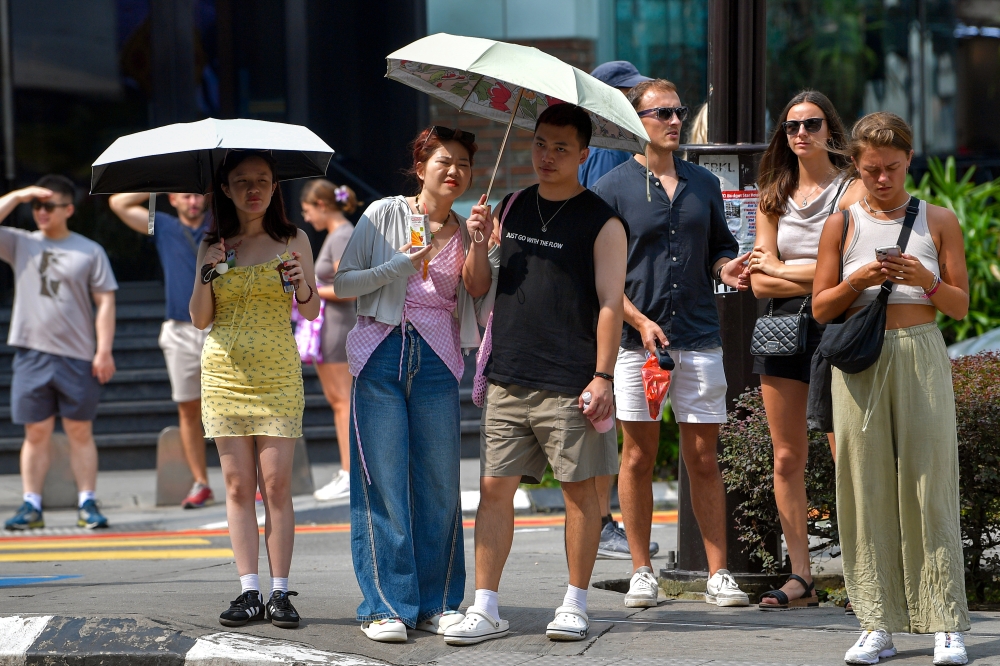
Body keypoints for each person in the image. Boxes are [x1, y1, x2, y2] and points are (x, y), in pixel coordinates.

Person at [444, 103, 628, 646]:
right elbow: (479, 286)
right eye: (541, 143)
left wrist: (602, 377)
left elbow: (611, 304)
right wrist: (478, 241)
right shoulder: (513, 205)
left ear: (584, 155)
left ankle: (574, 602)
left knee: (581, 497)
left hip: (571, 381)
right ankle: (486, 607)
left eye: (561, 148)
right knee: (493, 491)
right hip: (507, 374)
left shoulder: (602, 219)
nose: (546, 156)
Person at [813, 113, 971, 666]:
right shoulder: (842, 224)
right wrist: (856, 280)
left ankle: (945, 621)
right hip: (860, 362)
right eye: (872, 169)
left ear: (909, 160)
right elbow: (820, 307)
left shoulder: (939, 220)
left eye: (894, 168)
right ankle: (875, 622)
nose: (883, 179)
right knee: (863, 488)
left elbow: (959, 306)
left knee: (931, 484)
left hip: (921, 350)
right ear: (856, 165)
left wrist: (922, 279)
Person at [592, 79, 751, 610]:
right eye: (661, 112)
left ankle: (718, 572)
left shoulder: (704, 184)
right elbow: (600, 277)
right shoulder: (612, 188)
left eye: (678, 111)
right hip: (639, 344)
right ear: (637, 120)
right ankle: (642, 571)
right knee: (638, 456)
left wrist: (728, 266)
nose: (674, 120)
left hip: (700, 335)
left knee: (704, 457)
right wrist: (636, 320)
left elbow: (720, 249)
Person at [332, 126, 483, 643]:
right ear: (420, 168)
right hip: (380, 353)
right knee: (384, 483)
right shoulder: (383, 214)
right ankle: (385, 606)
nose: (454, 170)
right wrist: (397, 264)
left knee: (441, 485)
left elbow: (480, 292)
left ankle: (439, 602)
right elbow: (344, 281)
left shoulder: (466, 230)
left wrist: (485, 244)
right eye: (444, 160)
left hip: (439, 360)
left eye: (463, 162)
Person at [190, 150, 319, 630]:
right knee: (239, 486)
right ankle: (249, 590)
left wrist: (300, 282)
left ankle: (281, 591)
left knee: (277, 485)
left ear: (274, 187)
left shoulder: (293, 240)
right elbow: (200, 318)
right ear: (225, 189)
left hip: (277, 375)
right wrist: (209, 272)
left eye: (262, 180)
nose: (253, 189)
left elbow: (309, 312)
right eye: (242, 181)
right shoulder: (214, 246)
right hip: (223, 374)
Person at [749, 90, 864, 610]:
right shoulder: (772, 192)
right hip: (781, 331)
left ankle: (865, 571)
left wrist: (782, 269)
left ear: (829, 130)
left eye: (811, 124)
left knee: (848, 455)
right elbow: (758, 284)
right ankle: (802, 577)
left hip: (839, 326)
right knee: (788, 456)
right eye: (792, 125)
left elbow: (844, 272)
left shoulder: (851, 189)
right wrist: (787, 274)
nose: (801, 133)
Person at [0, 175, 117, 531]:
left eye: (49, 205)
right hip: (31, 351)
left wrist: (104, 350)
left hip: (78, 354)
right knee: (35, 431)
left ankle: (87, 502)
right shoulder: (21, 243)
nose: (40, 212)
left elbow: (106, 300)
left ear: (69, 209)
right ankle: (31, 504)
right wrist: (20, 195)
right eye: (37, 206)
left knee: (80, 430)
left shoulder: (89, 250)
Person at [575, 59, 658, 563]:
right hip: (610, 298)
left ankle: (598, 515)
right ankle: (602, 520)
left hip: (599, 294)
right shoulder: (611, 149)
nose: (632, 101)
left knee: (598, 409)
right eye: (625, 93)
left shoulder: (598, 143)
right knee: (604, 410)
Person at [109, 192, 215, 509]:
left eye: (197, 195)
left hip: (220, 325)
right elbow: (119, 203)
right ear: (172, 198)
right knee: (187, 408)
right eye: (185, 195)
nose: (193, 201)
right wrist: (156, 181)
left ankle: (247, 480)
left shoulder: (220, 224)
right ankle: (201, 482)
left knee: (233, 407)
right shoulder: (164, 225)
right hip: (179, 328)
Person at [299, 180, 358, 502]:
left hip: (338, 326)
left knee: (342, 402)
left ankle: (350, 472)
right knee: (339, 402)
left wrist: (306, 291)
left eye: (307, 211)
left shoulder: (342, 235)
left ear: (322, 205)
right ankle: (347, 470)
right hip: (330, 327)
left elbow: (348, 288)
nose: (306, 219)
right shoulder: (339, 234)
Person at [578, 61, 651, 189]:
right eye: (630, 93)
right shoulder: (608, 149)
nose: (637, 98)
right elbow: (603, 205)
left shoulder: (610, 141)